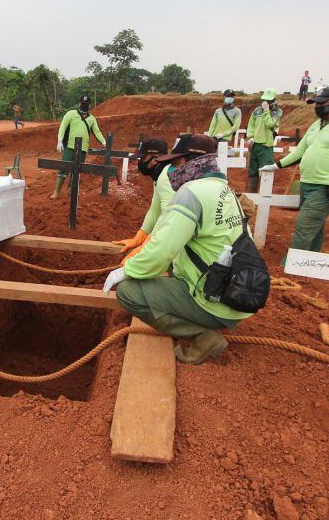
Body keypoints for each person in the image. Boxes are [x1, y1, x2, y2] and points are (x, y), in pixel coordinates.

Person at [102, 134, 255, 364]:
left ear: (190, 161)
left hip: (216, 301)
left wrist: (127, 270)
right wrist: (142, 236)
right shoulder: (223, 189)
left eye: (175, 164)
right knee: (171, 269)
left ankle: (201, 336)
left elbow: (164, 248)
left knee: (128, 292)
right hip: (236, 292)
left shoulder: (192, 193)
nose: (171, 171)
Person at [259, 86, 329, 253]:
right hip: (307, 183)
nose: (318, 107)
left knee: (304, 225)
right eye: (316, 104)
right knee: (315, 226)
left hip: (326, 185)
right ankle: (311, 264)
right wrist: (276, 165)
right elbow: (300, 151)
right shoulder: (316, 125)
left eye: (321, 103)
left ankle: (290, 267)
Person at [114, 138, 174, 261]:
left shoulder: (166, 177)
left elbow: (169, 212)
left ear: (155, 157)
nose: (140, 162)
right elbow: (155, 210)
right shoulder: (159, 175)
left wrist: (149, 241)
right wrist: (141, 234)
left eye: (142, 158)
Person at [51, 95, 105, 200]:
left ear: (90, 105)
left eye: (86, 104)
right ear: (80, 103)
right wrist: (59, 140)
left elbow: (97, 132)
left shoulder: (92, 119)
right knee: (63, 168)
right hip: (70, 147)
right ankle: (56, 192)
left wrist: (104, 142)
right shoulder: (71, 114)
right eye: (83, 103)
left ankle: (71, 191)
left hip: (83, 149)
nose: (84, 105)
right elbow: (63, 127)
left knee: (77, 171)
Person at [245, 88, 283, 193]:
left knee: (266, 171)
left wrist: (266, 111)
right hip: (254, 145)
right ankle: (252, 196)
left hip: (266, 146)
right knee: (252, 172)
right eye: (265, 100)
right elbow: (251, 124)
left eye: (269, 100)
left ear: (274, 100)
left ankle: (264, 195)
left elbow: (270, 124)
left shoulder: (277, 112)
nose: (266, 102)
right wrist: (251, 136)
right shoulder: (257, 110)